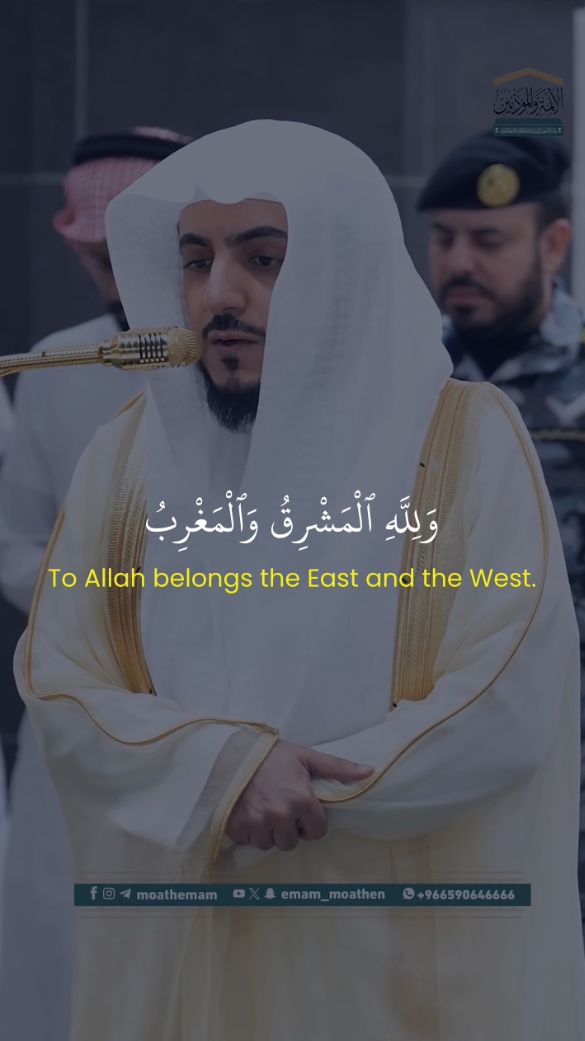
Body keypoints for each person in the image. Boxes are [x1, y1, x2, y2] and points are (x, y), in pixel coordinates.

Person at [14, 119, 585, 1040]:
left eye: (263, 260)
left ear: (341, 271)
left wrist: (284, 794)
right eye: (194, 262)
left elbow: (503, 694)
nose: (218, 294)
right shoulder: (128, 458)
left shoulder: (463, 442)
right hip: (182, 964)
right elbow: (62, 678)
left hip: (389, 967)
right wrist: (214, 772)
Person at [0, 125, 191, 1041]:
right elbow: (15, 539)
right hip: (79, 699)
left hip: (210, 706)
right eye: (94, 257)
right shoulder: (51, 367)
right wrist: (96, 591)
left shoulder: (247, 359)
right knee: (63, 936)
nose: (109, 277)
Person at [418, 131, 585, 933]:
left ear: (551, 245)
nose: (459, 262)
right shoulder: (409, 374)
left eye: (487, 241)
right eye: (443, 239)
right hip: (430, 731)